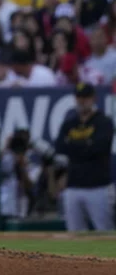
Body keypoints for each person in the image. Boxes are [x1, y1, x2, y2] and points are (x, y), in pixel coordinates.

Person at [55, 83, 115, 232]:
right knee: (74, 232)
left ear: (93, 98)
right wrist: (86, 144)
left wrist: (73, 145)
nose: (82, 101)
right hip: (73, 186)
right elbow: (60, 147)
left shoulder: (103, 122)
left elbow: (99, 148)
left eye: (85, 97)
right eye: (79, 97)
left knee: (104, 231)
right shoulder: (69, 123)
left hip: (98, 187)